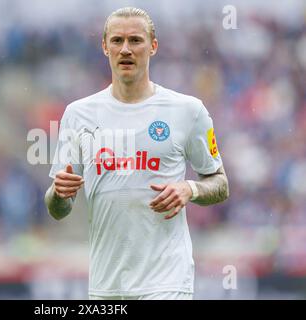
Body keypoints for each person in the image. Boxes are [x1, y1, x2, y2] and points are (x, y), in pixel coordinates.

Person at [44, 7, 229, 300]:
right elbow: (58, 209)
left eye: (135, 40)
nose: (126, 49)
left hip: (167, 281)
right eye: (117, 41)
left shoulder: (187, 110)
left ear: (153, 46)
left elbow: (220, 184)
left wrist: (189, 188)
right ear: (105, 47)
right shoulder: (78, 115)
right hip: (106, 287)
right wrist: (58, 194)